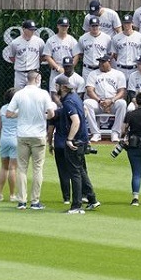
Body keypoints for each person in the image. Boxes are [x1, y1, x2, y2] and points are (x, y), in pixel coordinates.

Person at [5, 71, 56, 210]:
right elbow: (51, 113)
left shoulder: (19, 94)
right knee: (37, 168)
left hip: (23, 134)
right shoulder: (43, 94)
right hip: (38, 134)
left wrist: (20, 114)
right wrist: (42, 116)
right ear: (38, 79)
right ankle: (35, 201)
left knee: (22, 168)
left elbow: (8, 114)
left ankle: (22, 201)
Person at [48, 74, 97, 214]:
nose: (56, 88)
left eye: (57, 86)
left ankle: (76, 205)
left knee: (75, 173)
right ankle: (92, 199)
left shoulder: (68, 101)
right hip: (82, 139)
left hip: (75, 141)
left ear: (63, 87)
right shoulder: (74, 98)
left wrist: (69, 139)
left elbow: (76, 121)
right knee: (80, 170)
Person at [5, 20, 44, 89]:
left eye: (33, 30)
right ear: (23, 29)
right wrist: (20, 64)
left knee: (35, 95)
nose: (32, 31)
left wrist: (34, 64)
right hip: (20, 73)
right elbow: (12, 57)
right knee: (18, 93)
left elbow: (42, 56)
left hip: (34, 72)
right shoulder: (15, 42)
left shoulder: (39, 41)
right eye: (30, 29)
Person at [0, 87, 19, 202]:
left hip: (4, 139)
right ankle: (12, 195)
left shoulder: (3, 109)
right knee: (13, 168)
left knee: (4, 167)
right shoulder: (19, 110)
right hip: (16, 140)